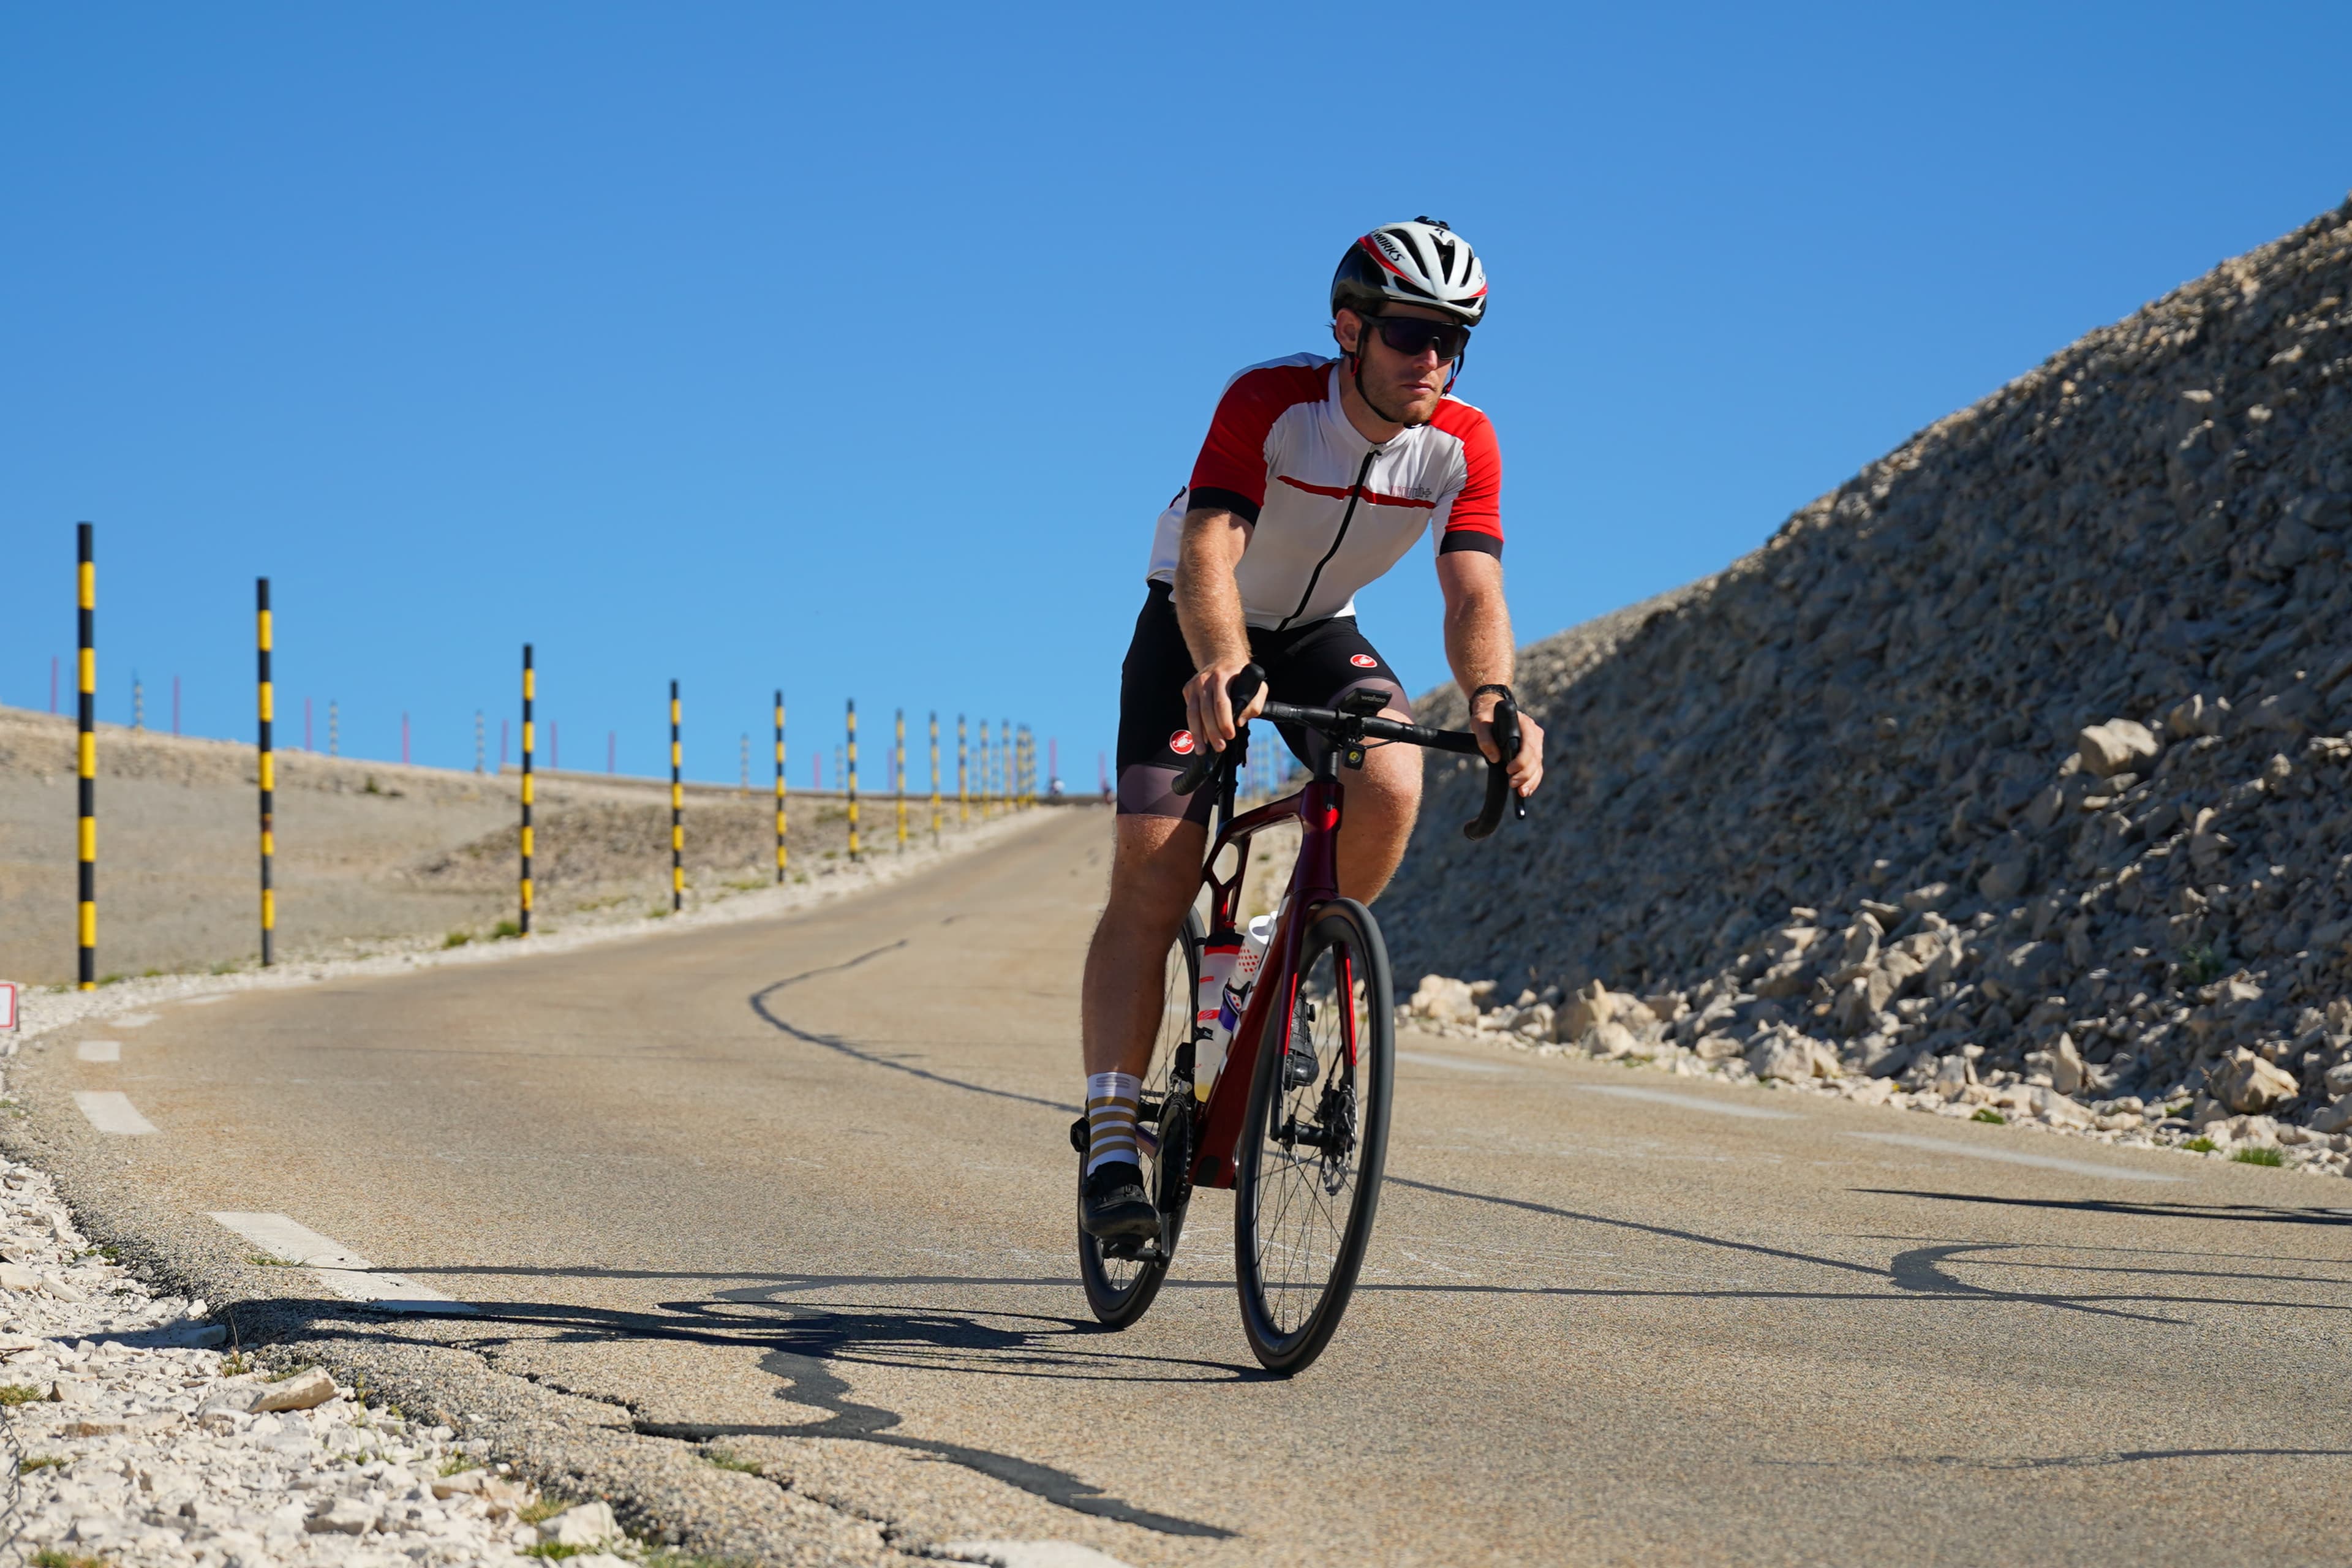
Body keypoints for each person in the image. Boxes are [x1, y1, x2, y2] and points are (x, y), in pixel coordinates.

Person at [1079, 219, 1547, 1239]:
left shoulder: (1462, 441)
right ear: (1350, 327)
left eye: (1453, 340)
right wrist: (1216, 663)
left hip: (1317, 630)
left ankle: (1278, 951)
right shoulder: (1272, 401)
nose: (1432, 360)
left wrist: (1493, 697)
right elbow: (1211, 550)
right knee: (1156, 874)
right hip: (1194, 623)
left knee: (1391, 782)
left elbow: (1473, 589)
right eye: (1411, 334)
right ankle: (1115, 1137)